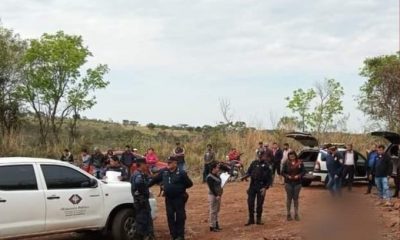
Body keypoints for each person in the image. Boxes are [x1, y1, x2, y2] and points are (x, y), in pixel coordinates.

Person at [149, 156, 193, 240]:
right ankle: (173, 235)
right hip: (168, 199)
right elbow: (155, 180)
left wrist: (180, 188)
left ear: (175, 163)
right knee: (170, 216)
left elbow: (189, 184)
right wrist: (146, 185)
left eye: (170, 162)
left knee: (180, 216)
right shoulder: (164, 171)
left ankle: (180, 235)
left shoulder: (181, 173)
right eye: (168, 162)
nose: (168, 164)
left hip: (179, 198)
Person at [242, 150, 273, 226]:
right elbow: (249, 172)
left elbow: (269, 179)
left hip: (261, 186)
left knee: (259, 204)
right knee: (250, 203)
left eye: (261, 156)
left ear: (264, 156)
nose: (260, 157)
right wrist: (245, 176)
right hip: (252, 185)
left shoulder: (267, 165)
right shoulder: (253, 163)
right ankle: (251, 219)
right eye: (258, 156)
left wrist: (265, 188)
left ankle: (258, 219)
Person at [131, 158, 155, 240]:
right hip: (142, 201)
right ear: (141, 165)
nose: (146, 165)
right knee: (144, 220)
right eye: (145, 164)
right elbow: (139, 183)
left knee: (142, 219)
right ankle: (145, 236)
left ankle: (145, 235)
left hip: (139, 200)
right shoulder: (138, 175)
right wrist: (145, 190)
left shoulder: (137, 173)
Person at [282, 151, 306, 221]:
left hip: (297, 183)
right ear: (288, 156)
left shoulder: (300, 162)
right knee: (289, 198)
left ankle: (296, 214)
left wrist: (299, 176)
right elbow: (282, 172)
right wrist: (287, 176)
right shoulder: (286, 162)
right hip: (288, 183)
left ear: (295, 155)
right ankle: (288, 214)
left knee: (296, 199)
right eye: (290, 155)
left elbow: (304, 171)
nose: (292, 156)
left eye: (293, 155)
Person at [206, 162, 223, 232]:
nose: (218, 169)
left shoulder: (216, 175)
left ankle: (216, 224)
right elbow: (211, 188)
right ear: (213, 168)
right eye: (217, 167)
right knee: (213, 211)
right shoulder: (209, 177)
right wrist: (216, 195)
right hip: (213, 195)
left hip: (218, 195)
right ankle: (212, 226)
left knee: (216, 210)